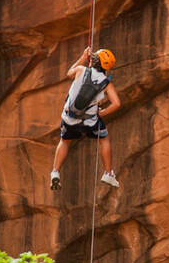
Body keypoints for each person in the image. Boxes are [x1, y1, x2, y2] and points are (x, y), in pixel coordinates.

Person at [50, 46, 121, 190]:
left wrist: (83, 57)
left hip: (70, 117)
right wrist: (102, 113)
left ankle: (55, 171)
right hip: (91, 121)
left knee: (65, 141)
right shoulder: (106, 83)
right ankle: (108, 173)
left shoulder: (81, 70)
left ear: (94, 60)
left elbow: (69, 73)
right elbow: (117, 103)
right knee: (104, 139)